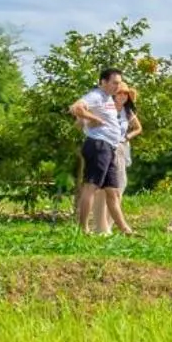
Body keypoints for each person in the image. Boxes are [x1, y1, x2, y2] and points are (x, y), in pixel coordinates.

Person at [67, 68, 127, 234]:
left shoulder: (107, 98)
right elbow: (76, 108)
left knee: (113, 191)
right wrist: (94, 119)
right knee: (91, 187)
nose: (117, 86)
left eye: (119, 83)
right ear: (103, 82)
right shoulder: (96, 95)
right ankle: (83, 229)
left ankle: (125, 229)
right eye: (114, 82)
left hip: (109, 147)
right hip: (99, 145)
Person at [102, 83, 142, 237]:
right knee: (113, 187)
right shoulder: (108, 108)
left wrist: (128, 136)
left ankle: (109, 224)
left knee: (120, 187)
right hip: (108, 147)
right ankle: (105, 225)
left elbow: (138, 128)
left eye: (125, 94)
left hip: (121, 148)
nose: (123, 96)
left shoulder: (128, 111)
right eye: (120, 93)